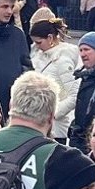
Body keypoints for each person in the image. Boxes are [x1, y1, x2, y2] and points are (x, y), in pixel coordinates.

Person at [28, 8, 81, 142]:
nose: (37, 46)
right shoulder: (41, 56)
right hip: (39, 124)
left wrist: (54, 114)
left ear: (50, 38)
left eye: (39, 42)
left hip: (55, 129)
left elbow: (74, 95)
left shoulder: (63, 60)